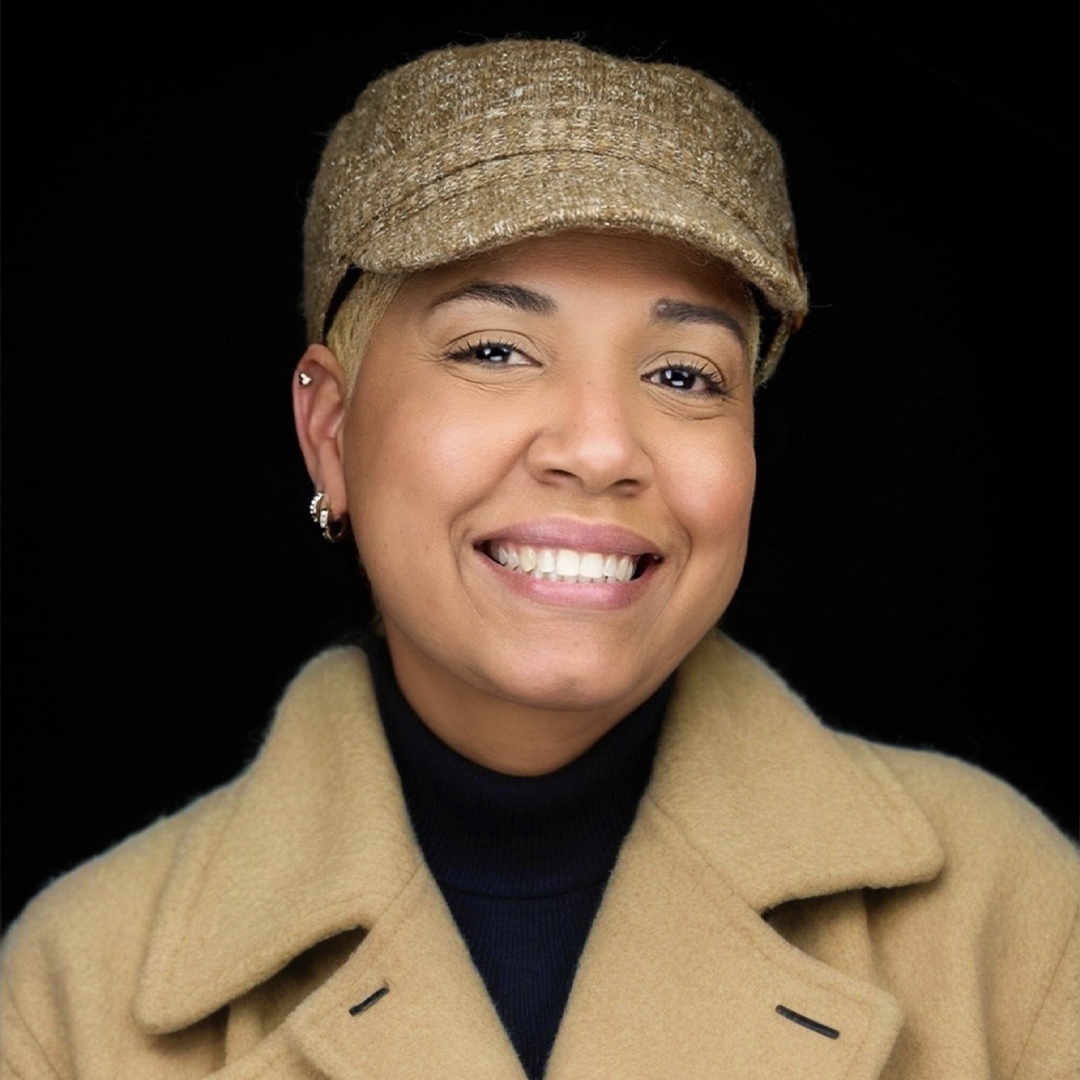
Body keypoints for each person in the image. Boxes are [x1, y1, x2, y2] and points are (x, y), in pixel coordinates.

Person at [1, 39, 1076, 1080]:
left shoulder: (1010, 918)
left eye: (686, 375)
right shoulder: (72, 991)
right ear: (330, 432)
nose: (601, 449)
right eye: (496, 351)